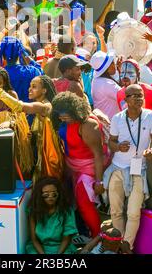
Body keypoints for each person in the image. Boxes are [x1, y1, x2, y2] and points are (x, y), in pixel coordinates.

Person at [103, 84, 152, 253]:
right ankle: (117, 244)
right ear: (126, 100)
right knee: (115, 211)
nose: (138, 98)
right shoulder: (117, 118)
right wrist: (117, 146)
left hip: (139, 170)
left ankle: (127, 245)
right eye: (134, 95)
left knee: (134, 212)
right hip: (118, 169)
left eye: (141, 95)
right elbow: (111, 142)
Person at [0, 74, 64, 182]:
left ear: (44, 90)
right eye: (30, 86)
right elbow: (23, 120)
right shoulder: (38, 105)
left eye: (34, 86)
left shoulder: (45, 107)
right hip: (39, 157)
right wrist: (11, 122)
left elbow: (18, 106)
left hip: (49, 160)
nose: (29, 89)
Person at [52, 92, 109, 238]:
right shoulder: (64, 121)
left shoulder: (89, 124)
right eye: (60, 115)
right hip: (71, 167)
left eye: (65, 115)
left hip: (89, 169)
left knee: (85, 204)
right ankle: (86, 233)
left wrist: (99, 181)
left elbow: (98, 155)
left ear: (75, 111)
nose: (61, 118)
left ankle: (98, 238)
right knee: (74, 204)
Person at [117, 59, 152, 132]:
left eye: (129, 72)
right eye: (122, 73)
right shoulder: (119, 93)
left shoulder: (149, 91)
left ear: (138, 74)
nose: (124, 76)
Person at [25, 176, 78, 254]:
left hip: (61, 248)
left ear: (59, 193)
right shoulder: (34, 211)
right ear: (39, 195)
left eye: (54, 194)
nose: (50, 197)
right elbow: (34, 239)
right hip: (39, 247)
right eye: (46, 194)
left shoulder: (67, 211)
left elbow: (66, 239)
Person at [0, 37, 42, 102]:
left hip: (10, 111)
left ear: (3, 55)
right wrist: (25, 55)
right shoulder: (32, 71)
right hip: (31, 110)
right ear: (19, 53)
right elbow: (41, 71)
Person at [90, 51, 121, 120]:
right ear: (107, 68)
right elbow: (125, 95)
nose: (115, 65)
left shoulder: (96, 80)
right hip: (110, 124)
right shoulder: (107, 84)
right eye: (112, 63)